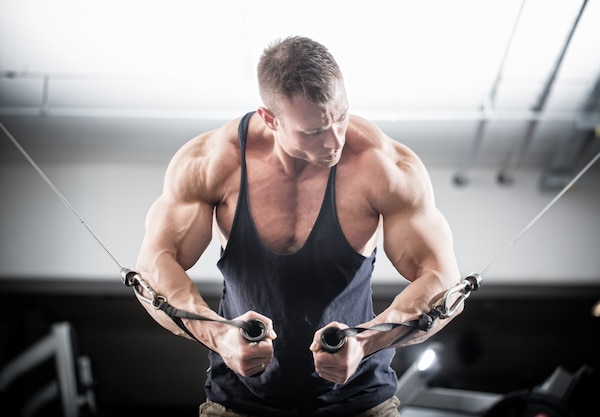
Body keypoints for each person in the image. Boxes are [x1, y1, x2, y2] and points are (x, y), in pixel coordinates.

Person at [134, 35, 463, 417]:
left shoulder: (384, 166)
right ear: (269, 119)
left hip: (360, 401)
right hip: (239, 401)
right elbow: (153, 267)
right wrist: (219, 334)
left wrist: (366, 342)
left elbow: (442, 280)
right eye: (313, 132)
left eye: (341, 117)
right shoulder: (212, 163)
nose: (335, 140)